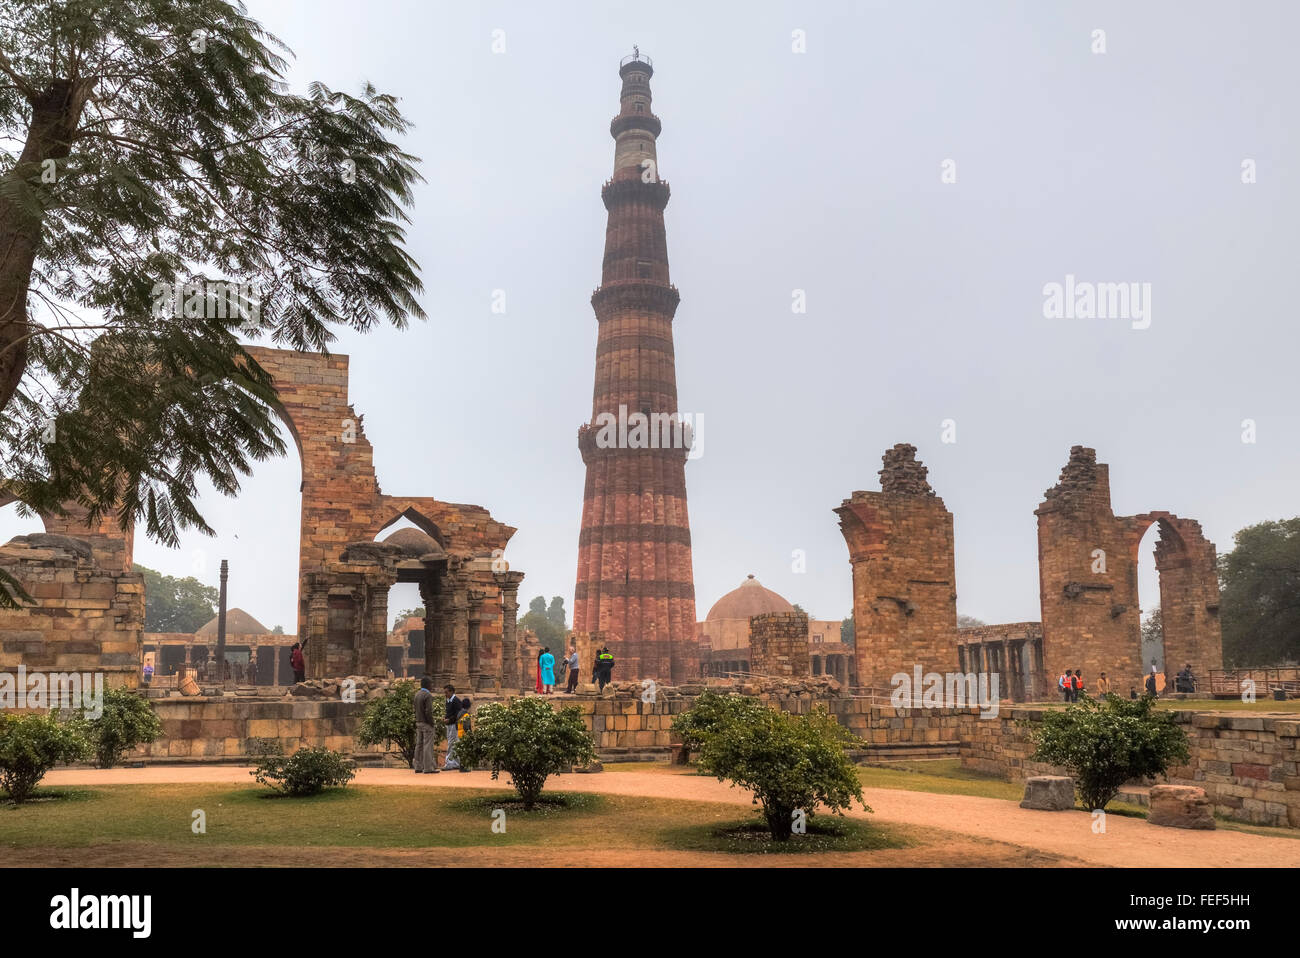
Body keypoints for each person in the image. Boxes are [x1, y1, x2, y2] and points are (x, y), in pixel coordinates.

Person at [413, 676, 439, 774]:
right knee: (428, 745)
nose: (432, 685)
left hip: (418, 722)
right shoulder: (427, 695)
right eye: (431, 683)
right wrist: (432, 723)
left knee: (419, 745)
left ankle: (418, 766)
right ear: (428, 685)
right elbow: (428, 712)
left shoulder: (417, 694)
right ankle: (428, 768)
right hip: (426, 723)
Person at [443, 685, 463, 770]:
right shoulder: (448, 700)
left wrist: (449, 720)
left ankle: (449, 763)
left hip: (454, 725)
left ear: (451, 692)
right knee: (453, 744)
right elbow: (449, 712)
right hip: (449, 725)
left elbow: (458, 714)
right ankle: (455, 763)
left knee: (451, 744)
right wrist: (445, 718)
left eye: (446, 692)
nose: (445, 694)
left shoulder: (456, 701)